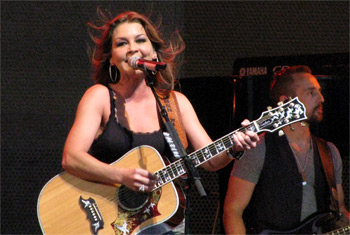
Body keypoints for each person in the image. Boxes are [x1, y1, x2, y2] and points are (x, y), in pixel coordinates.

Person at [61, 10, 259, 234]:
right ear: (111, 59)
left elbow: (210, 162)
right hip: (106, 221)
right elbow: (71, 158)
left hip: (163, 223)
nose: (133, 48)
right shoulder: (100, 97)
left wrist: (234, 147)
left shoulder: (176, 104)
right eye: (122, 43)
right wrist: (121, 176)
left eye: (140, 40)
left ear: (154, 53)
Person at [223, 65, 350, 234]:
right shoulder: (258, 148)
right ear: (285, 102)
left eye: (319, 91)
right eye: (311, 92)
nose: (321, 98)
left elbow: (339, 212)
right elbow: (232, 211)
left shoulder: (329, 152)